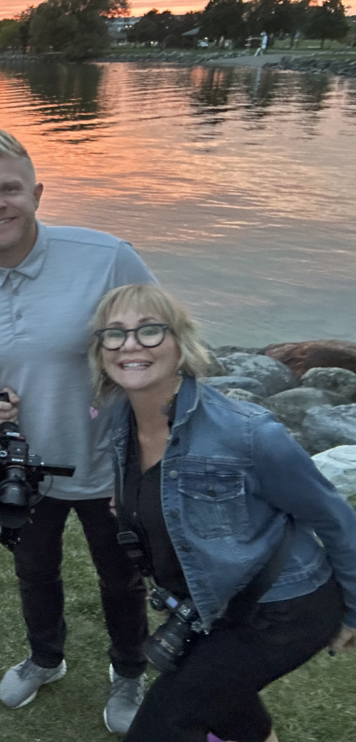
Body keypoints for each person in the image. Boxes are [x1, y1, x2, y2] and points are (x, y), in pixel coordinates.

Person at [0, 125, 155, 733]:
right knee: (33, 570)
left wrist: (154, 447)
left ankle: (130, 671)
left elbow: (164, 344)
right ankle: (45, 658)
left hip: (113, 461)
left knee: (121, 575)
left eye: (10, 188)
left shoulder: (107, 256)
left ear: (37, 192)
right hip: (26, 465)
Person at [90, 283, 356, 742]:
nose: (130, 344)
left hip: (285, 611)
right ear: (101, 351)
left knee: (164, 725)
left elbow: (334, 518)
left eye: (150, 331)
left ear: (181, 343)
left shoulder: (247, 434)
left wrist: (353, 613)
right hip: (215, 609)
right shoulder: (121, 421)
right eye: (114, 334)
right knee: (230, 707)